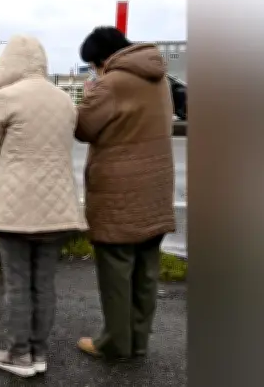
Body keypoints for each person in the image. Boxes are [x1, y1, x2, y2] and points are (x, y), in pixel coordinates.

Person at [0, 35, 88, 378]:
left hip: (16, 207)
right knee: (44, 283)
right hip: (57, 208)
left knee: (17, 284)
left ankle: (18, 354)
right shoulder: (65, 100)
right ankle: (40, 352)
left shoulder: (7, 97)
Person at [74, 26, 176, 360]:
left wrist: (89, 93)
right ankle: (138, 340)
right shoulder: (160, 79)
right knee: (146, 270)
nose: (94, 71)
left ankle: (116, 344)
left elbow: (84, 128)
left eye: (92, 65)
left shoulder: (110, 83)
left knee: (116, 270)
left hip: (119, 193)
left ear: (103, 59)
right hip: (156, 188)